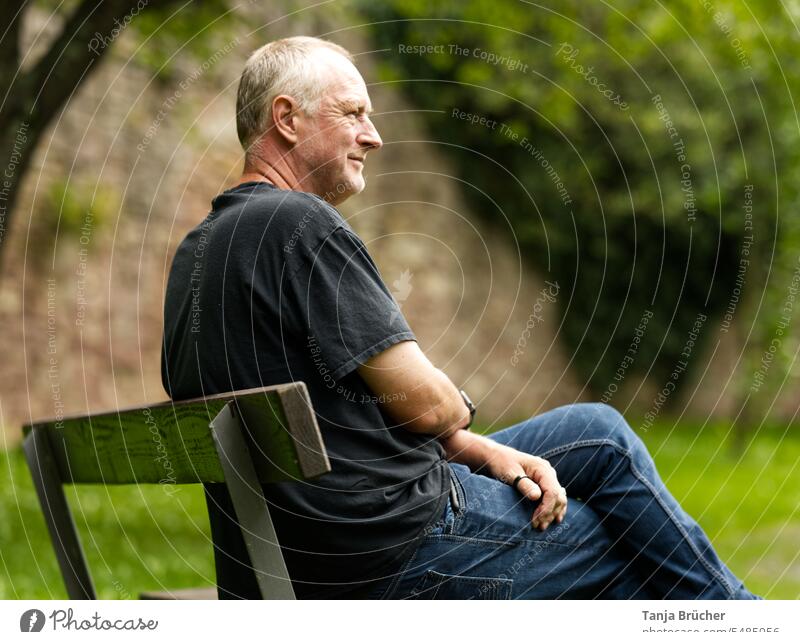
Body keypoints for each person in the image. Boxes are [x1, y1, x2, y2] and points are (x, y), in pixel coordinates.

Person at [161, 36, 758, 600]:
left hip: (287, 558)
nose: (374, 136)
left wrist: (474, 449)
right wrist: (456, 419)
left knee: (599, 437)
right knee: (636, 545)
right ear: (287, 119)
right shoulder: (297, 224)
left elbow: (340, 423)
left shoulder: (197, 252)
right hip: (389, 551)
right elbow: (431, 406)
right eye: (353, 113)